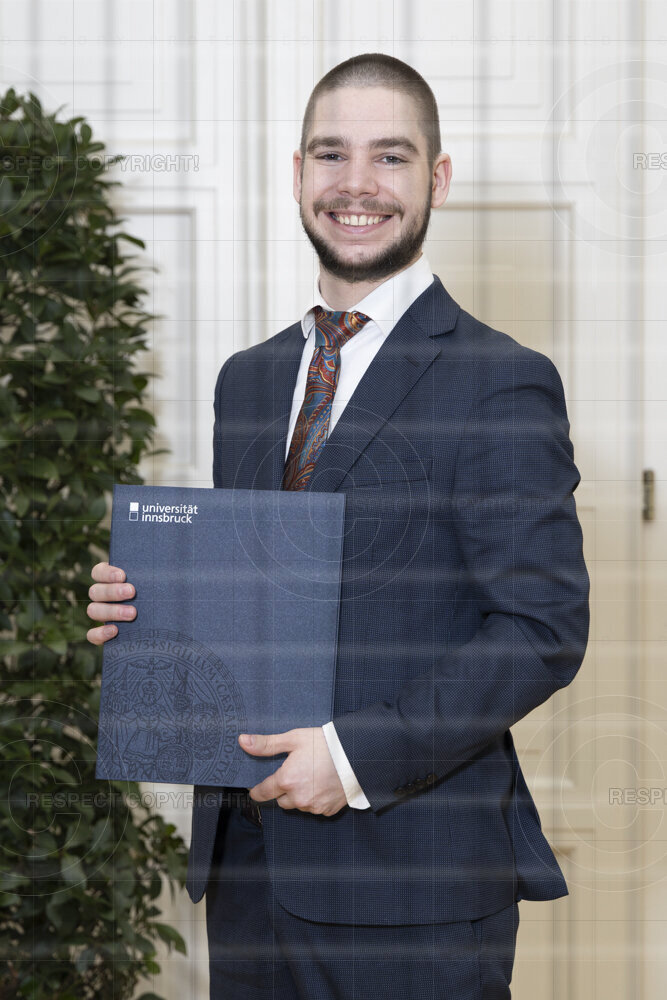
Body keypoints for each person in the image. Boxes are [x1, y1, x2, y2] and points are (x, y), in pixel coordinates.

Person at [87, 53, 589, 999]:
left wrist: (352, 760)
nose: (356, 184)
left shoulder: (500, 381)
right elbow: (258, 601)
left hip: (413, 890)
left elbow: (542, 631)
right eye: (331, 154)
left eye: (390, 156)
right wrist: (145, 614)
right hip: (247, 874)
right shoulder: (246, 380)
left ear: (437, 179)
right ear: (297, 173)